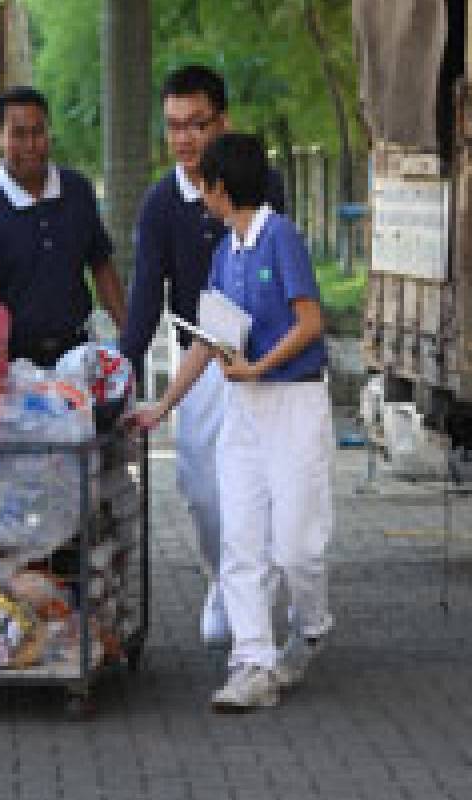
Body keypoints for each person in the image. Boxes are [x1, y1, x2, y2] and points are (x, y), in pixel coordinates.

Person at [125, 133, 334, 711]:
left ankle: (312, 625)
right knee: (241, 539)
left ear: (222, 188)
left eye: (205, 186)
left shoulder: (279, 237)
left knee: (296, 548)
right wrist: (163, 406)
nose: (202, 197)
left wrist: (258, 366)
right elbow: (208, 339)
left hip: (292, 404)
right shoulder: (226, 254)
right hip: (245, 411)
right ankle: (252, 664)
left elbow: (310, 321)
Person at [119, 66, 286, 647]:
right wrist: (123, 372)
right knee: (201, 484)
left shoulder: (265, 184)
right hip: (202, 360)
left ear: (223, 121)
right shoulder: (161, 203)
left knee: (263, 486)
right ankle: (223, 577)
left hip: (267, 360)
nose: (186, 139)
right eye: (174, 127)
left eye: (198, 124)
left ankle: (254, 602)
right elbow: (144, 297)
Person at [0, 86, 126, 367]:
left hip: (77, 354)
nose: (30, 145)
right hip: (14, 364)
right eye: (18, 134)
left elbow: (101, 266)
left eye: (38, 132)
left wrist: (129, 333)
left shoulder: (77, 189)